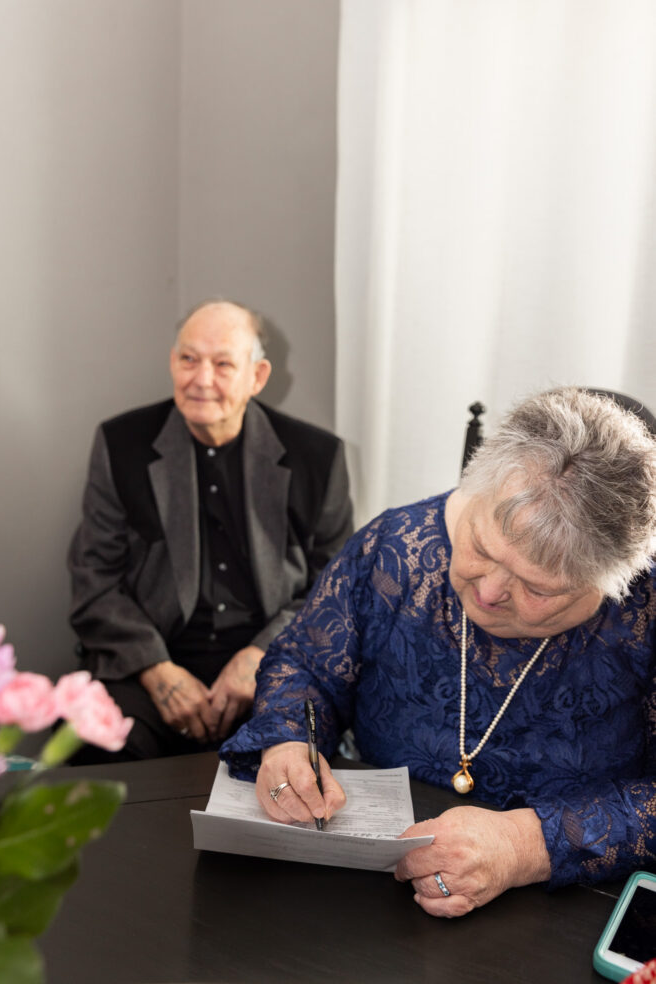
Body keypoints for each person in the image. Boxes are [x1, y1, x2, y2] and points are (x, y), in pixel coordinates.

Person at [220, 387, 656, 917]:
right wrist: (287, 743)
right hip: (378, 888)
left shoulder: (645, 608)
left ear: (614, 582)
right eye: (480, 547)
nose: (490, 592)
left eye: (537, 589)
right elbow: (305, 664)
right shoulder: (395, 549)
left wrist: (526, 846)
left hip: (575, 906)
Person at [68, 300, 353, 760]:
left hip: (273, 657)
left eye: (223, 364)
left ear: (257, 377)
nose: (201, 379)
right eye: (188, 359)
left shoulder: (316, 458)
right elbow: (93, 579)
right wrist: (156, 668)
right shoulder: (122, 445)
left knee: (298, 764)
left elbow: (335, 589)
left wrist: (260, 657)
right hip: (153, 658)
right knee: (99, 754)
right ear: (172, 363)